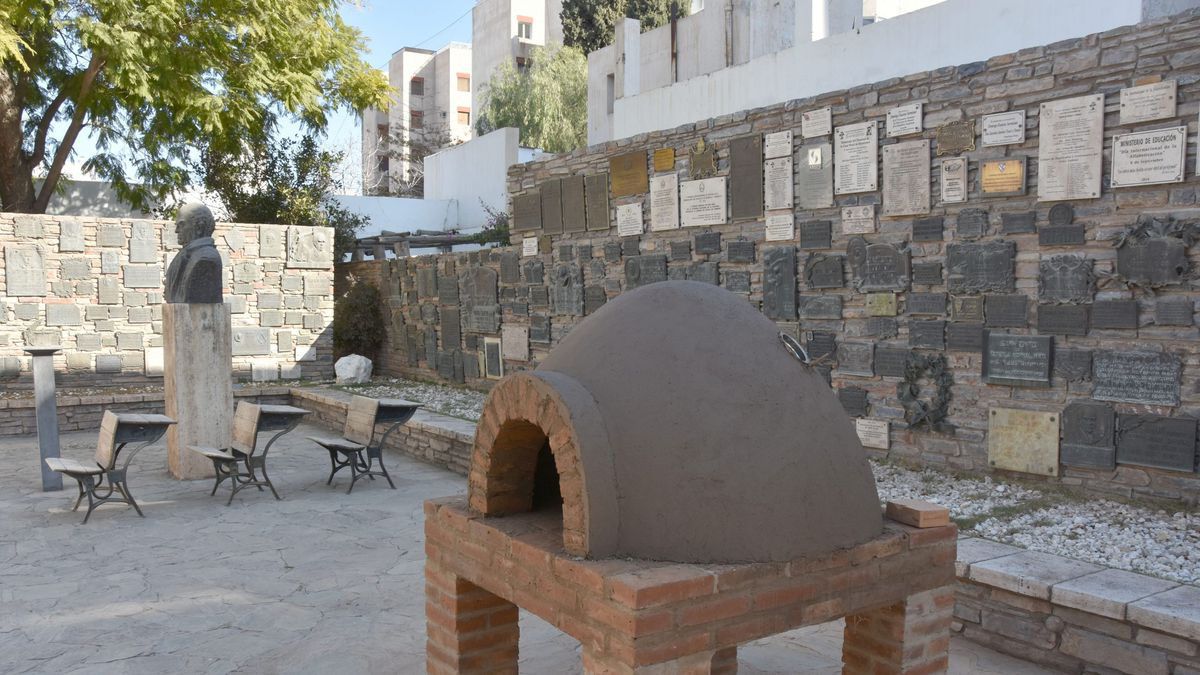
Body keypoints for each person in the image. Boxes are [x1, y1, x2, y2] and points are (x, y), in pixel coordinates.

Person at [164, 203, 223, 303]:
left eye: (181, 225)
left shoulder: (206, 259)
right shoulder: (187, 255)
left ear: (199, 227)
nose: (176, 231)